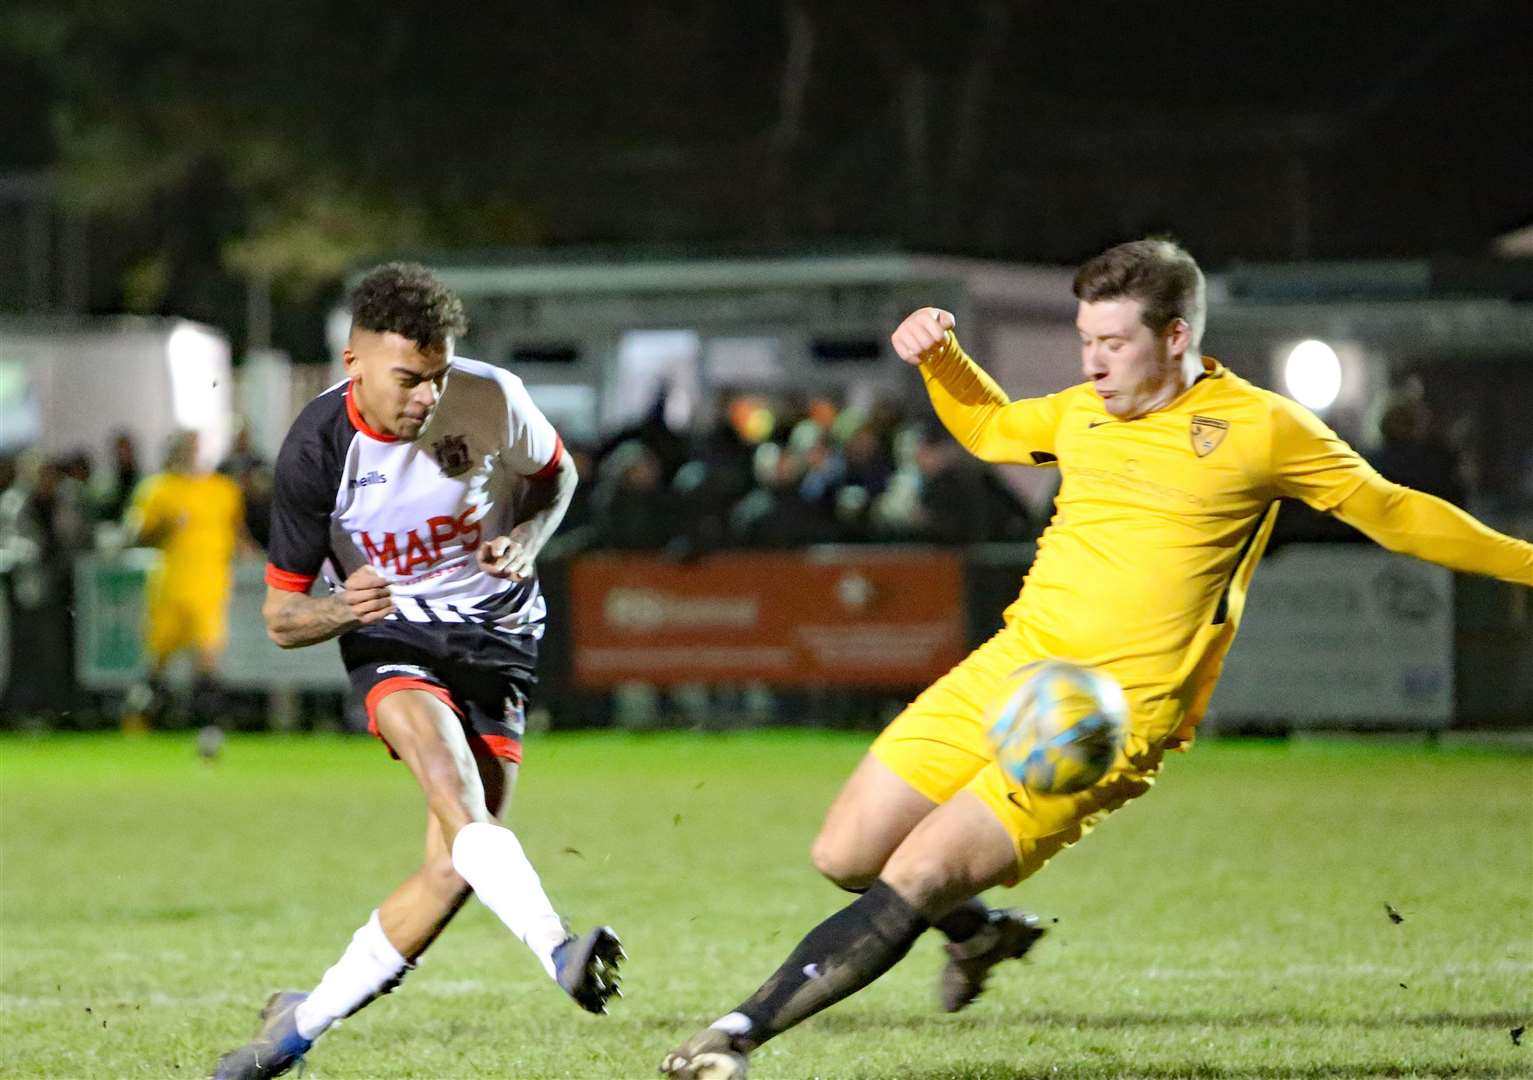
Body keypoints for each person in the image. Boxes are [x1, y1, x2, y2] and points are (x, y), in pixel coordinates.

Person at [660, 238, 1533, 1079]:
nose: (1092, 362)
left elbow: (1394, 512)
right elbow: (995, 430)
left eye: (1113, 342)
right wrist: (941, 361)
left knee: (918, 873)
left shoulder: (1261, 429)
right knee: (846, 855)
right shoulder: (1081, 413)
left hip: (1105, 717)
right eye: (1085, 341)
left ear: (1176, 336)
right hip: (1011, 670)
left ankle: (732, 1037)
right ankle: (976, 932)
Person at [212, 263, 623, 1080]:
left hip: (499, 637)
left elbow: (558, 477)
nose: (426, 398)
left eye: (436, 378)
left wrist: (527, 542)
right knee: (454, 792)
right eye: (407, 379)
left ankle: (294, 1030)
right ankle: (558, 949)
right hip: (392, 635)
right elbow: (282, 619)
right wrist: (342, 608)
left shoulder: (492, 394)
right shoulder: (315, 451)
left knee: (452, 867)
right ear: (353, 364)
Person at [119, 430, 246, 729]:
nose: (191, 453)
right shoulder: (157, 489)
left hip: (210, 584)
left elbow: (238, 533)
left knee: (207, 655)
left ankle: (207, 724)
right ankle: (140, 716)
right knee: (158, 660)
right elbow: (135, 535)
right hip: (171, 585)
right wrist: (163, 526)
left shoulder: (222, 489)